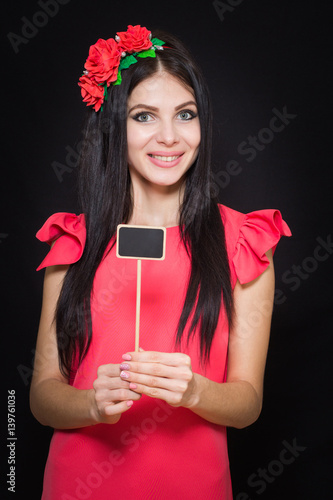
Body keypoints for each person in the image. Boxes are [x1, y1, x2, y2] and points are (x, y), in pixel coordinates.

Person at [30, 25, 291, 500]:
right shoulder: (75, 241)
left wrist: (195, 391)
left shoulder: (244, 242)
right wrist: (91, 404)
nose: (169, 137)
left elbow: (248, 403)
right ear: (115, 126)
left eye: (185, 115)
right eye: (144, 117)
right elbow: (41, 398)